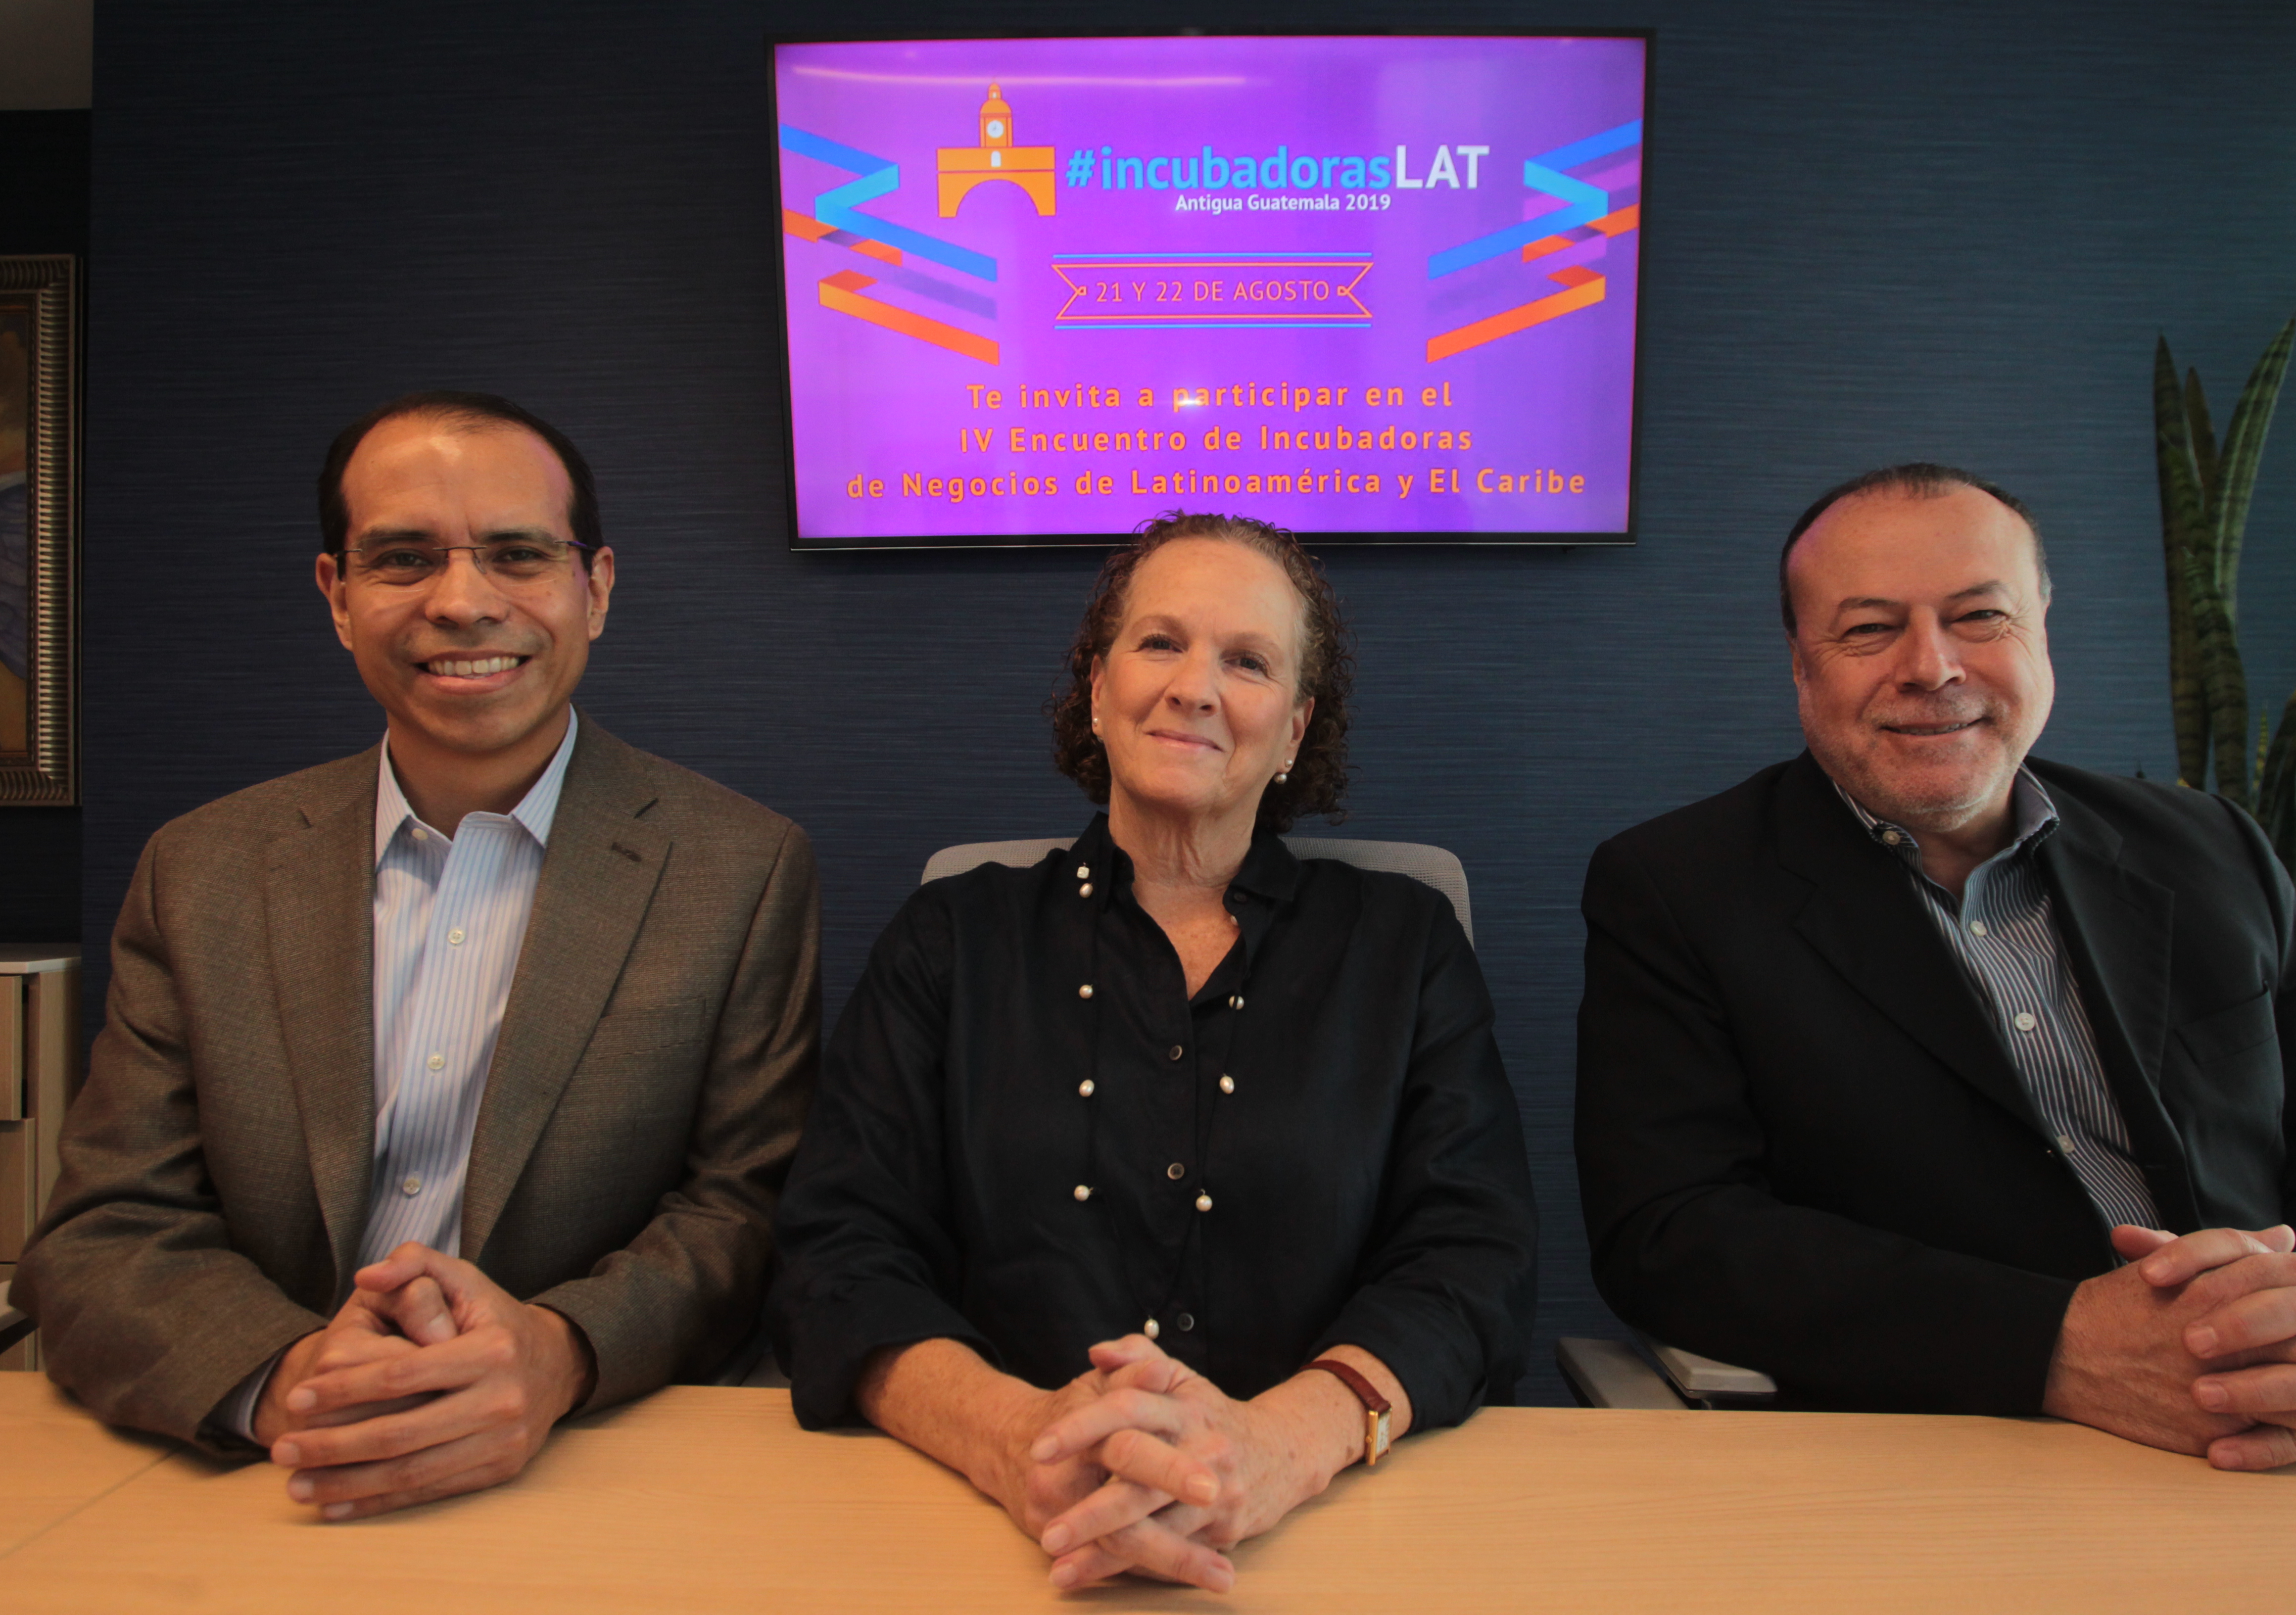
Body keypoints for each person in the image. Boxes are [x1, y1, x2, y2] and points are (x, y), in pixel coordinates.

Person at [18, 390, 820, 1518]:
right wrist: (291, 1378)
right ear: (337, 597)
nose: (463, 602)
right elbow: (108, 1226)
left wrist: (558, 1352)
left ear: (595, 589)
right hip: (259, 1475)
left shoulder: (741, 868)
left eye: (518, 555)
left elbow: (743, 1212)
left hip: (582, 1471)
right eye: (403, 559)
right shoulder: (201, 870)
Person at [1576, 464, 2296, 1468]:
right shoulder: (1678, 889)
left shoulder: (2211, 848)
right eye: (1869, 629)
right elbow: (1673, 1235)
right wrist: (2058, 1345)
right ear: (1801, 665)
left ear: (2042, 634)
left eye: (1980, 616)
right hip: (1965, 1450)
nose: (1932, 667)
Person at [771, 513, 1536, 1592]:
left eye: (1249, 661)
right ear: (1098, 689)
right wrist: (1017, 1438)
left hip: (1326, 1531)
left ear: (1295, 730)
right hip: (990, 1537)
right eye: (1161, 643)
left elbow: (1475, 1258)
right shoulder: (952, 937)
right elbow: (836, 1250)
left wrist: (1278, 1446)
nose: (1195, 688)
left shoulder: (1404, 945)